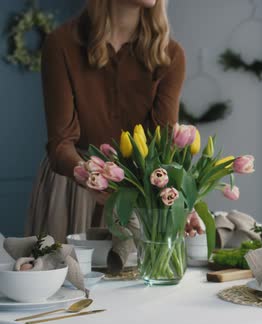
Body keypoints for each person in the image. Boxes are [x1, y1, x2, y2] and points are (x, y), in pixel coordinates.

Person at [26, 0, 202, 242]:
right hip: (71, 190)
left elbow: (163, 149)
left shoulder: (169, 55)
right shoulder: (61, 44)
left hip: (137, 191)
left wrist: (183, 204)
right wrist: (88, 177)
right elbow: (61, 142)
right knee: (61, 274)